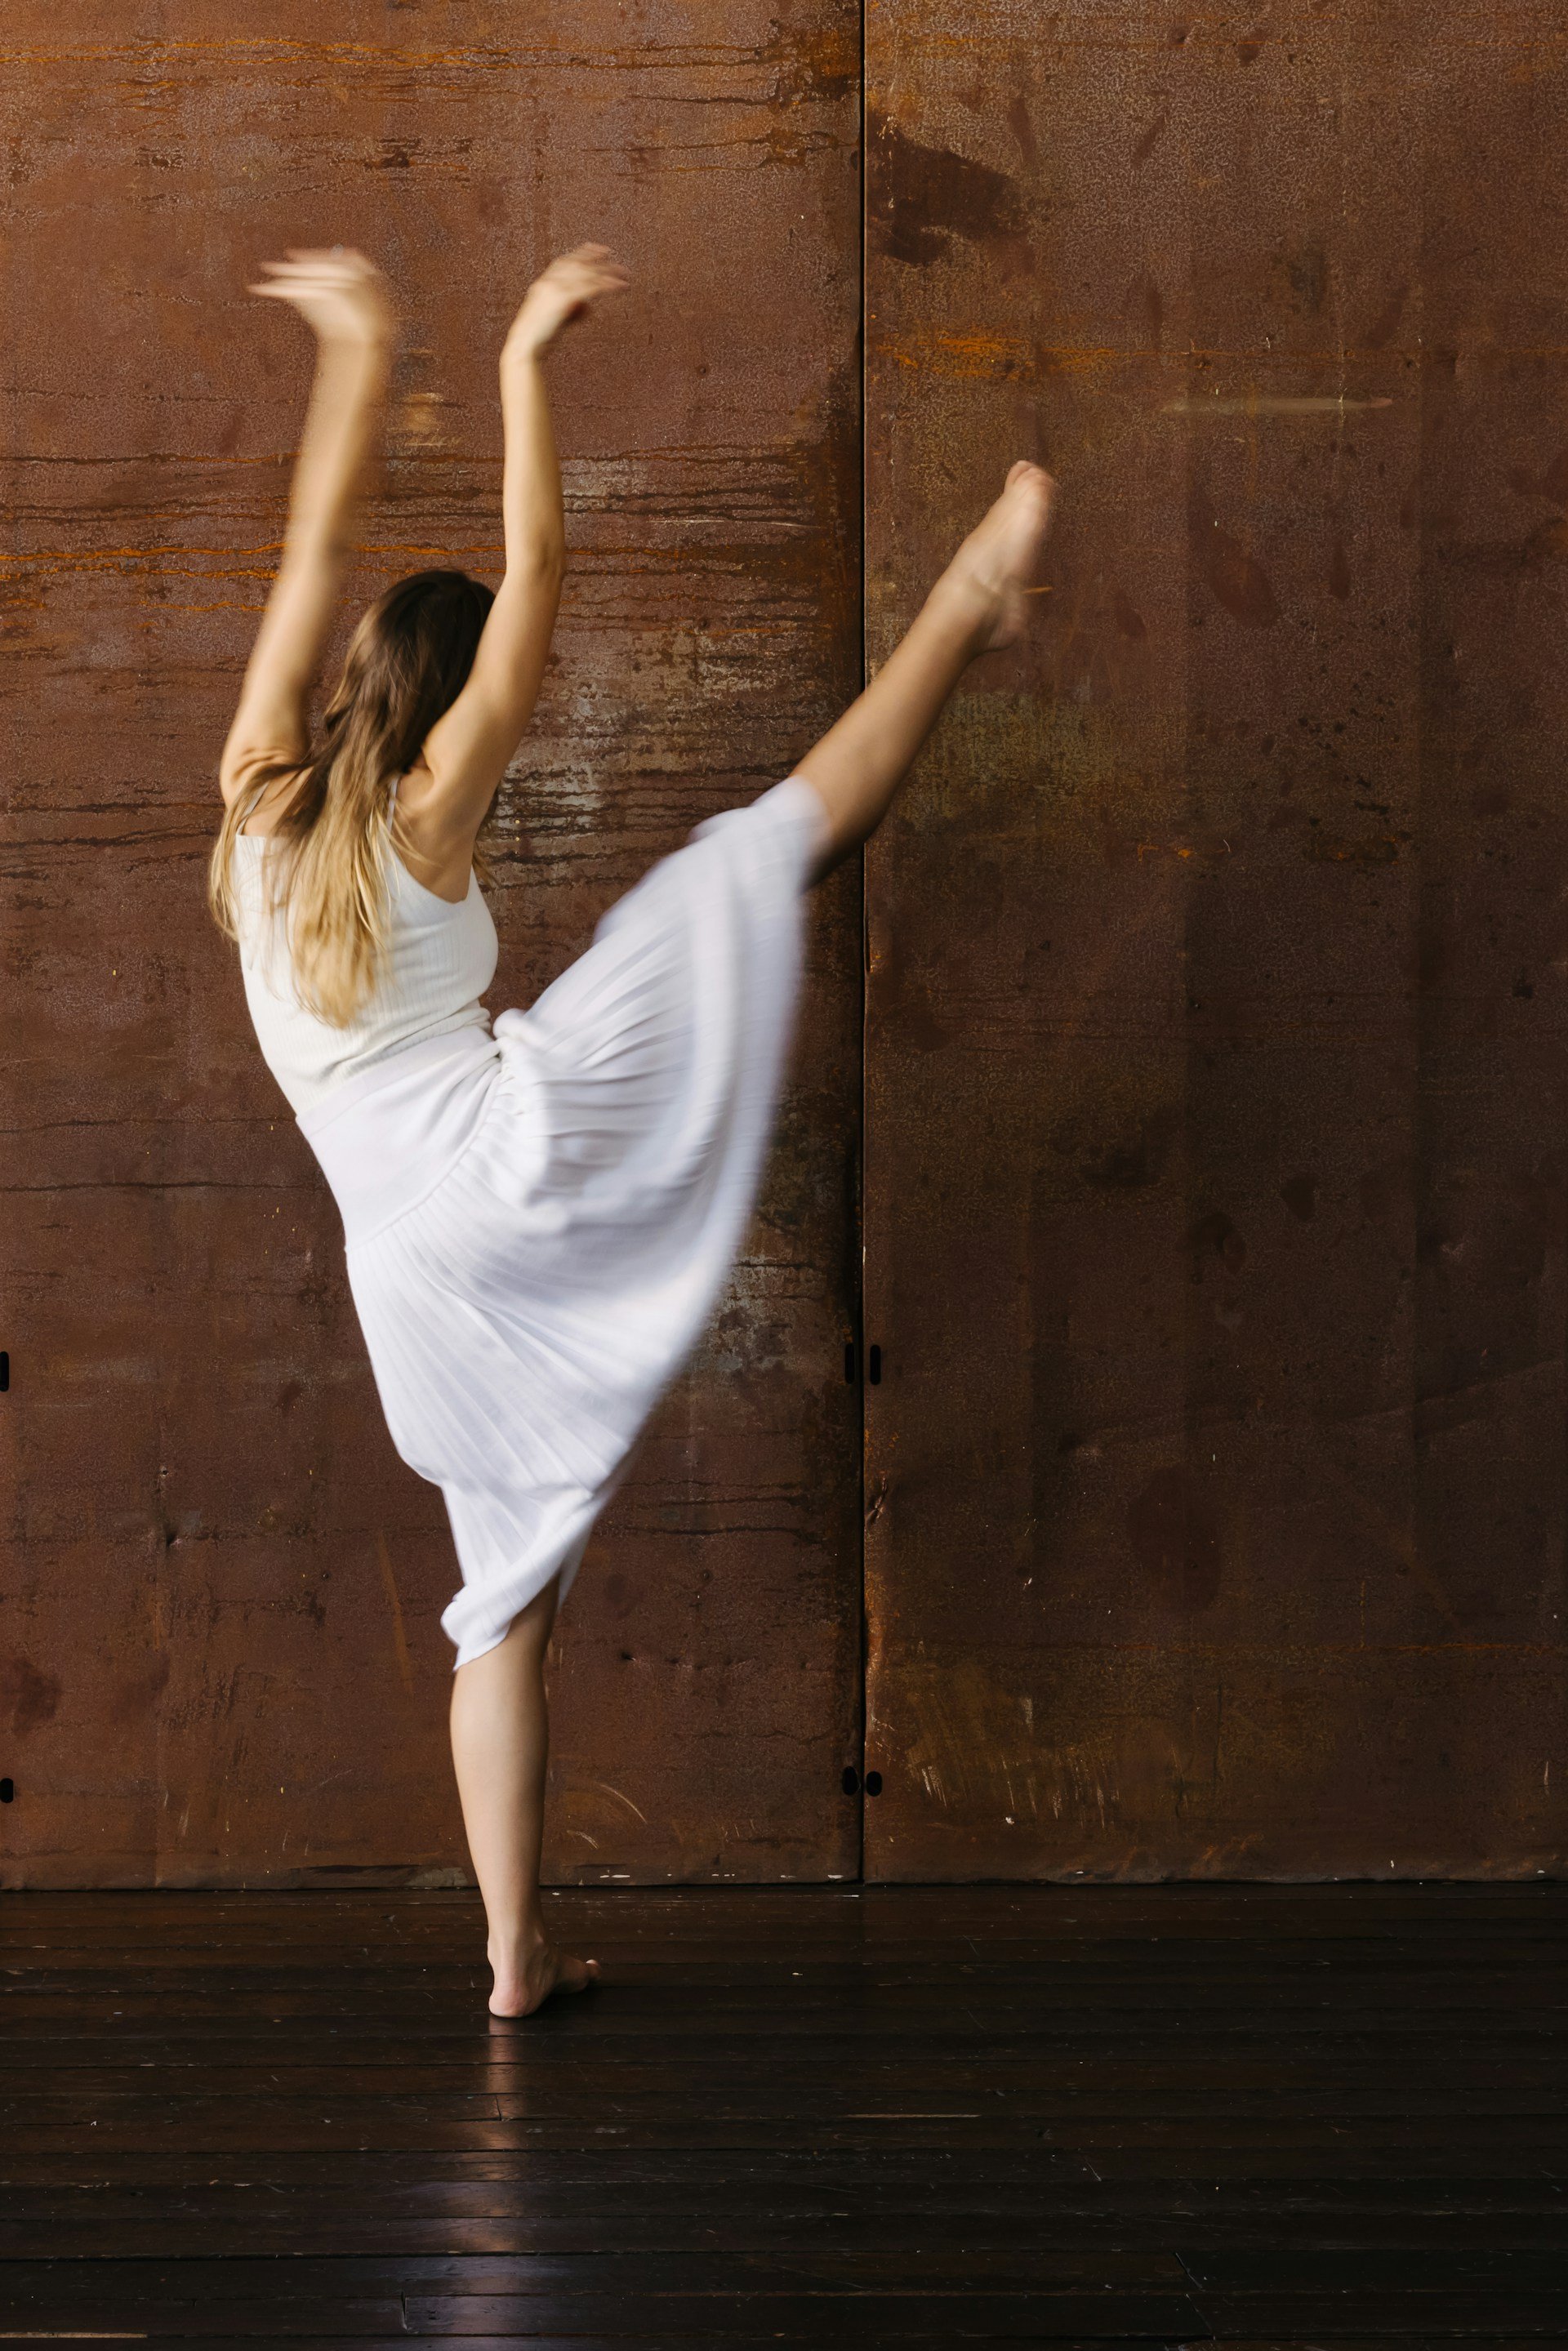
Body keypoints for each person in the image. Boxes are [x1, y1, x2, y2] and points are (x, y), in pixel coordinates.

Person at [211, 242, 1057, 2015]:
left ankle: (515, 1962)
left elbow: (303, 556)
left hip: (407, 1287)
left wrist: (358, 350)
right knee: (751, 862)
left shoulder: (255, 812)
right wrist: (519, 352)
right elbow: (537, 570)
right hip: (500, 1159)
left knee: (500, 1609)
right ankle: (966, 605)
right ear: (445, 706)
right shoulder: (431, 819)